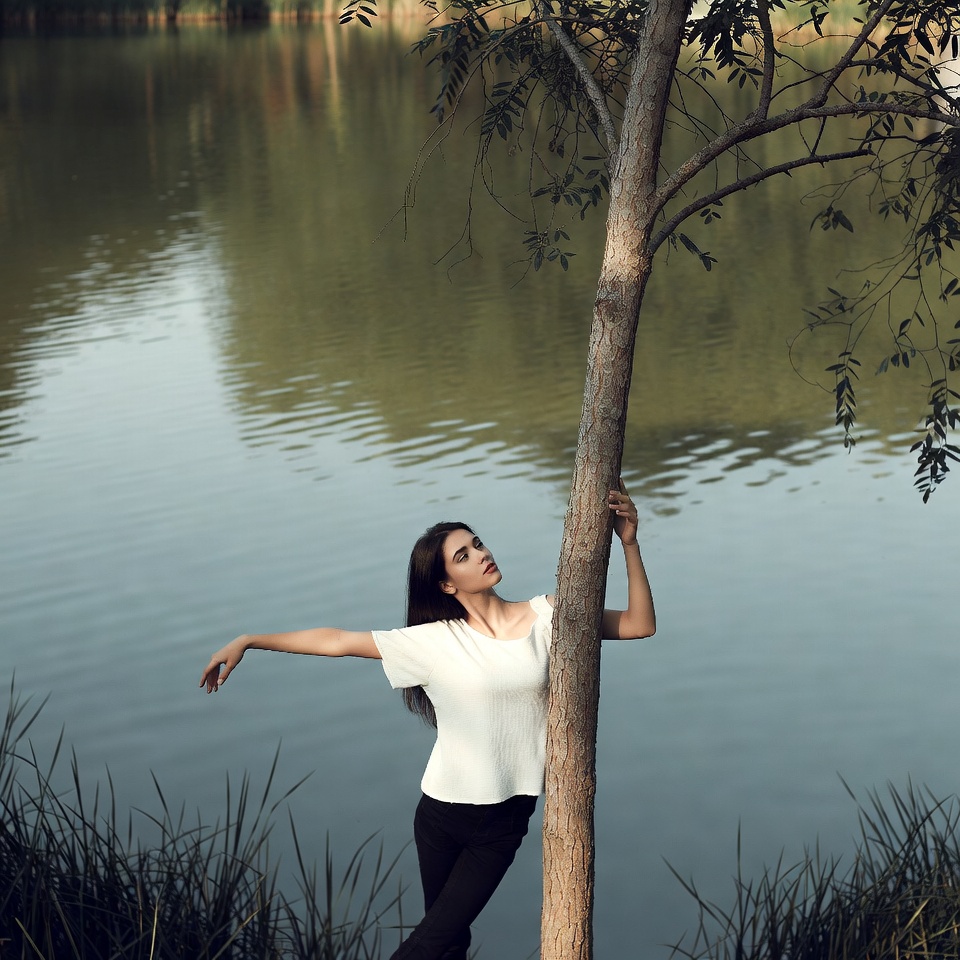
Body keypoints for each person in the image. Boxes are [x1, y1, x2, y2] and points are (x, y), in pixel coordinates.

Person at [199, 482, 656, 960]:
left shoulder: (550, 615)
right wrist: (248, 639)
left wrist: (629, 543)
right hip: (439, 814)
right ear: (445, 584)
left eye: (477, 543)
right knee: (448, 943)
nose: (481, 554)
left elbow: (640, 624)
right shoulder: (432, 641)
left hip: (502, 819)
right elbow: (336, 640)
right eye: (463, 555)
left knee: (431, 942)